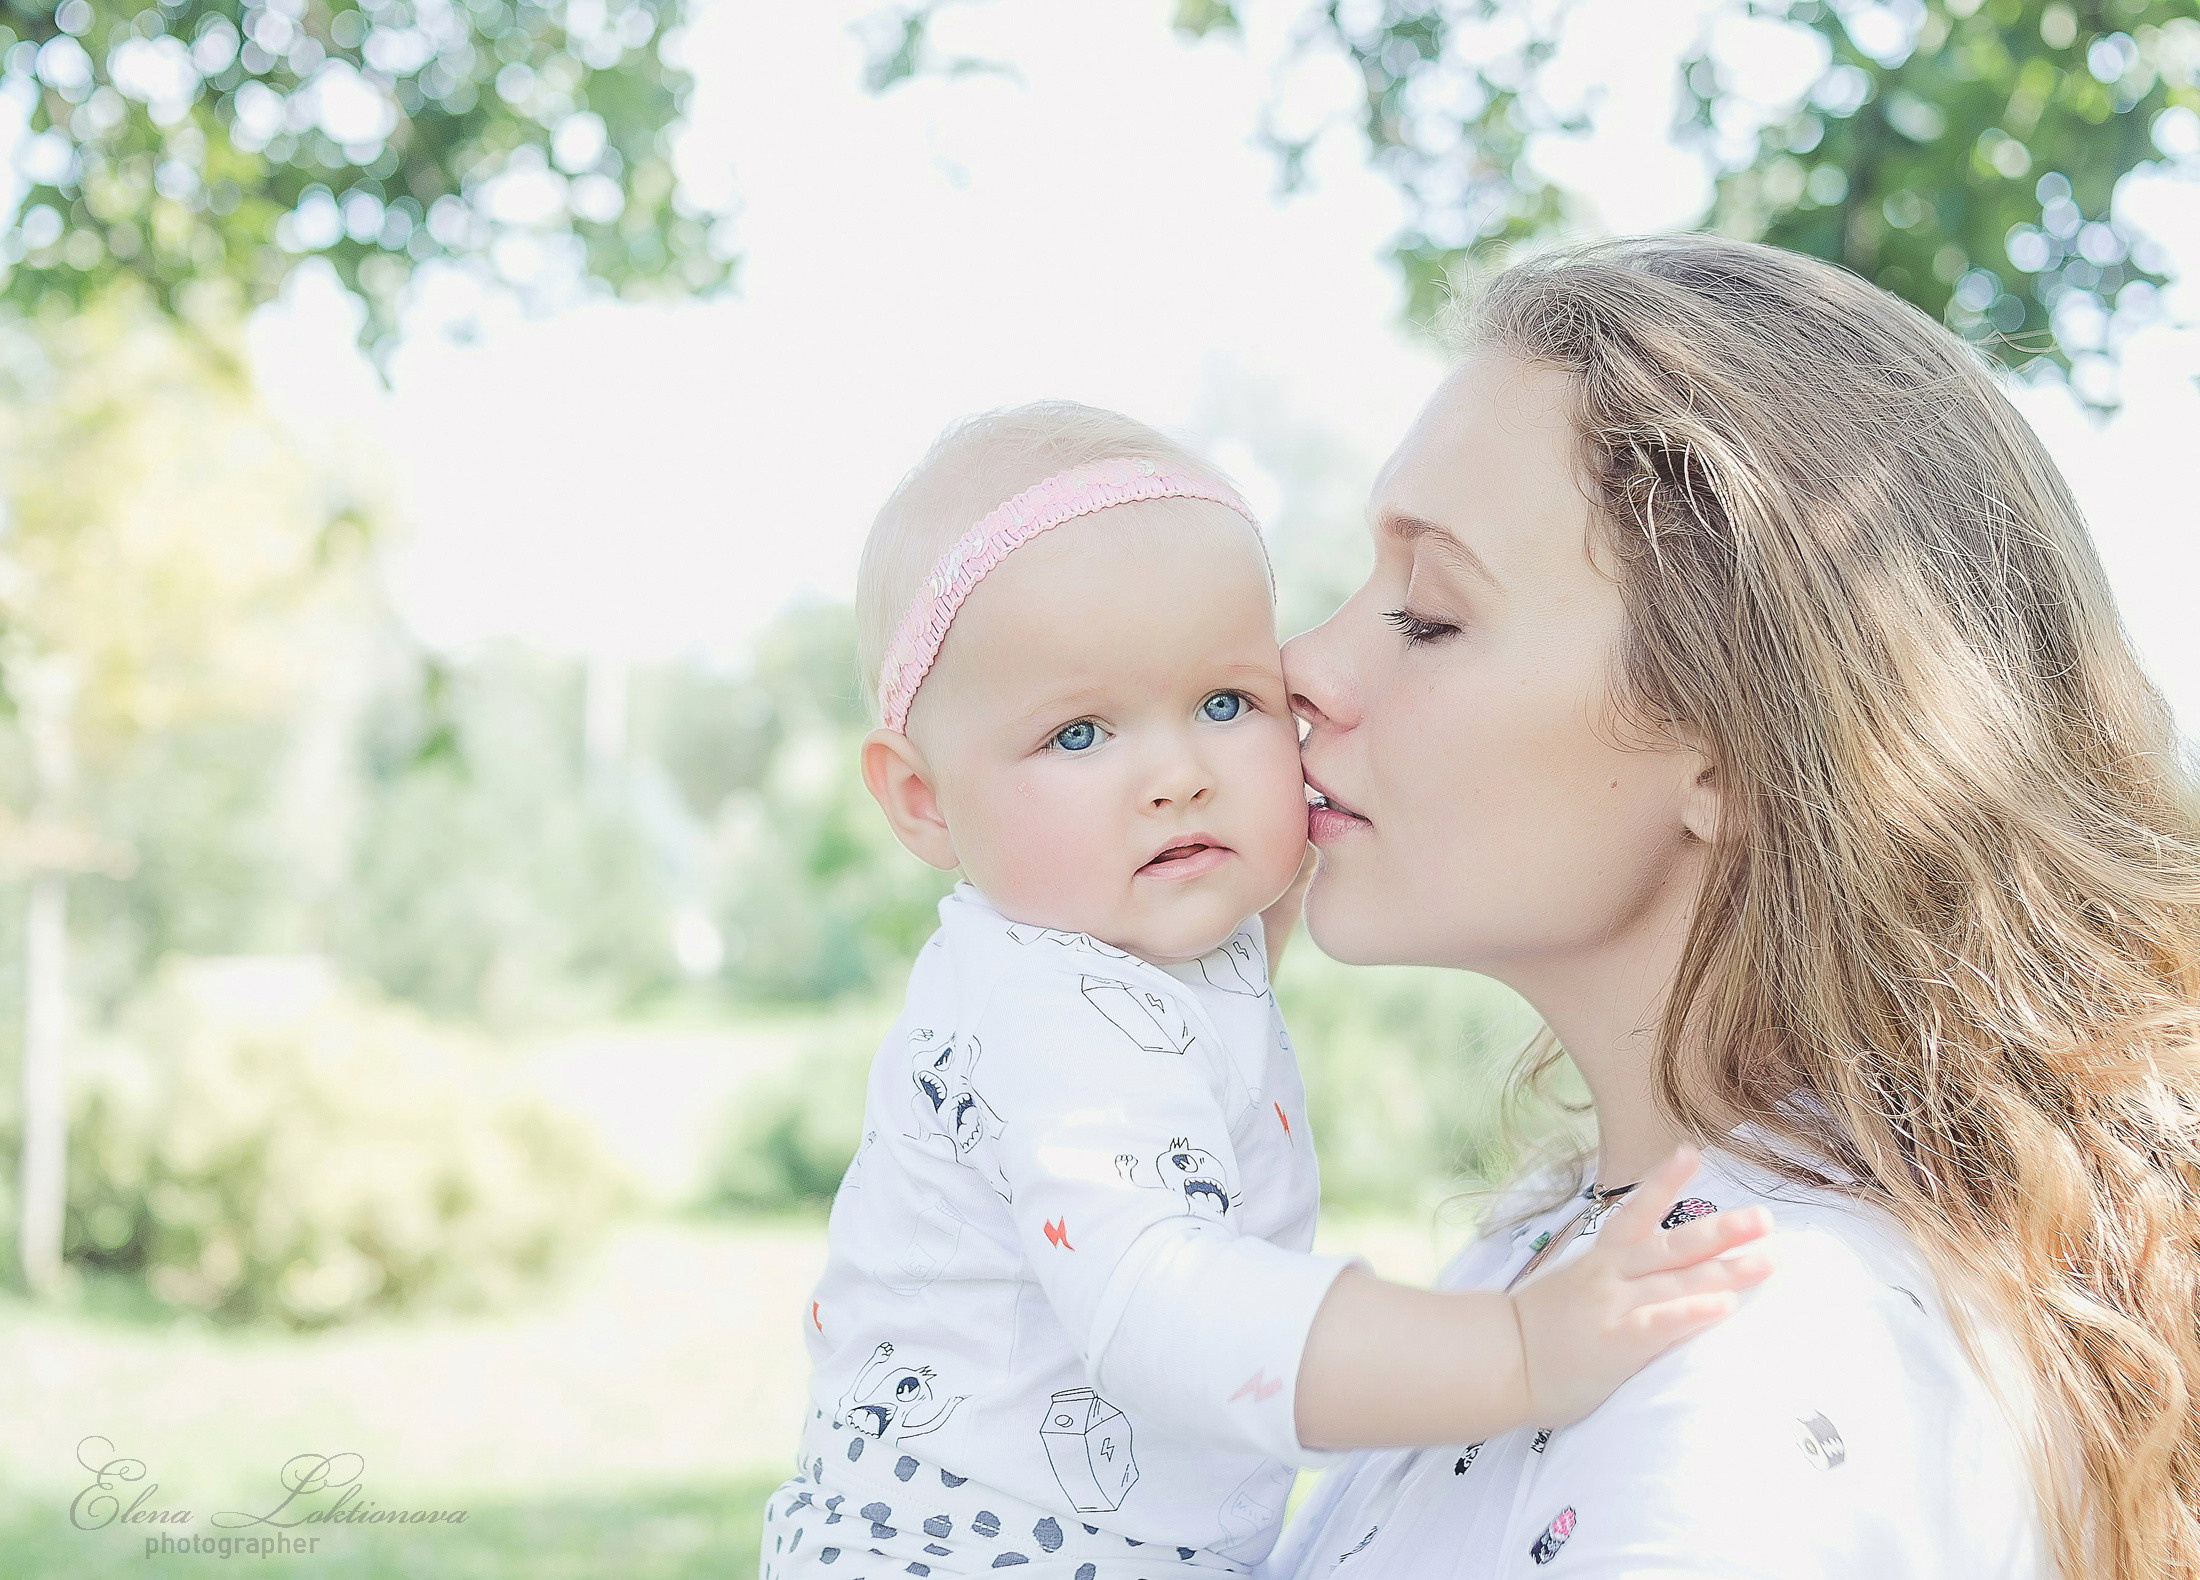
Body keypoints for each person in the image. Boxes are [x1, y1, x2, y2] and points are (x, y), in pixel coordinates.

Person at [1262, 234, 2200, 1579]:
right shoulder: (1570, 1260)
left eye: (1428, 614)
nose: (1306, 663)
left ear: (1731, 746)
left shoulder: (1754, 1357)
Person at [757, 402, 1774, 1579]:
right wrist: (1514, 1350)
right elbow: (1162, 1306)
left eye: (1227, 703)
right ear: (923, 800)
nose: (1178, 776)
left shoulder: (1136, 950)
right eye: (1078, 733)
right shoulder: (1043, 1008)